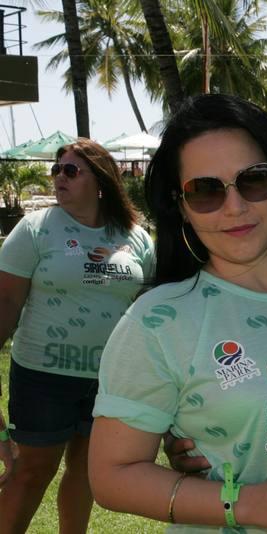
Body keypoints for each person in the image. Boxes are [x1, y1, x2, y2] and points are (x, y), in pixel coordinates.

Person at [88, 93, 267, 533]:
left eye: (254, 180)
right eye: (205, 190)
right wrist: (244, 503)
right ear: (181, 208)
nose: (235, 206)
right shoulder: (157, 322)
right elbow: (111, 476)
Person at [0, 139, 155, 533]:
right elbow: (6, 304)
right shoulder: (35, 229)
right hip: (43, 376)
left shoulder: (136, 237)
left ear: (100, 181)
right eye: (57, 170)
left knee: (86, 470)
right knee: (31, 472)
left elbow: (148, 308)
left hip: (109, 379)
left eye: (71, 170)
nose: (59, 177)